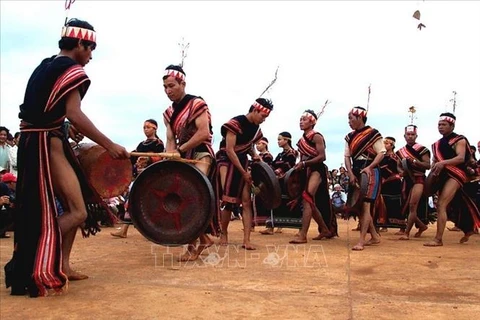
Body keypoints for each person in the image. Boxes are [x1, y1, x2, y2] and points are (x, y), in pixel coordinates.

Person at [4, 18, 129, 297]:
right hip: (46, 145)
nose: (91, 56)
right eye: (90, 49)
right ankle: (33, 261)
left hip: (37, 141)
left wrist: (65, 127)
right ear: (80, 43)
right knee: (77, 210)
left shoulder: (45, 65)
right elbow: (74, 112)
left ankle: (61, 264)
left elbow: (49, 111)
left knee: (72, 205)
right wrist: (109, 145)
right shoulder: (71, 70)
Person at [162, 65, 218, 261]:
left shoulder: (197, 104)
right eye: (165, 87)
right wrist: (168, 158)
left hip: (201, 153)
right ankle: (199, 240)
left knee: (192, 194)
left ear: (182, 84)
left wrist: (180, 149)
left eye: (171, 86)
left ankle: (196, 243)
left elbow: (204, 133)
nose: (168, 91)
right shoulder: (168, 113)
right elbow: (170, 140)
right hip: (182, 156)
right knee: (179, 197)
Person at [217, 98, 273, 250]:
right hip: (226, 161)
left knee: (246, 201)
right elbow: (229, 150)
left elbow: (248, 146)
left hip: (242, 160)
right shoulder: (235, 123)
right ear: (255, 111)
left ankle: (246, 239)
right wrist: (243, 173)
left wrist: (254, 154)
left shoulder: (256, 128)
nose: (263, 120)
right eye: (262, 116)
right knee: (228, 200)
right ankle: (223, 233)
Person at [424, 113, 480, 246]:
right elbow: (434, 161)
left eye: (444, 125)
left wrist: (443, 163)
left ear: (452, 125)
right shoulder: (436, 144)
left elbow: (460, 158)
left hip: (456, 175)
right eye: (439, 124)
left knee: (441, 204)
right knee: (457, 203)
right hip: (442, 176)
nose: (440, 127)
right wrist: (433, 169)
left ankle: (438, 239)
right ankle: (468, 229)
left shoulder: (459, 140)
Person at [289, 110, 337, 243]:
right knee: (311, 203)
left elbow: (322, 157)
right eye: (300, 119)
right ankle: (325, 229)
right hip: (306, 170)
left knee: (307, 198)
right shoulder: (301, 140)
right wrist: (299, 166)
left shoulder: (317, 136)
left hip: (316, 170)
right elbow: (302, 157)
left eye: (304, 119)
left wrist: (304, 163)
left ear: (312, 122)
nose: (301, 122)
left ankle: (303, 235)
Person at [111, 119, 164, 239]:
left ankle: (158, 230)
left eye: (148, 127)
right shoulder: (141, 145)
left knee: (153, 203)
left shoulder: (158, 144)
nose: (146, 129)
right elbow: (133, 158)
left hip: (152, 177)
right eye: (144, 127)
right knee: (132, 200)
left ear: (155, 128)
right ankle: (124, 230)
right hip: (141, 176)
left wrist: (148, 158)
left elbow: (160, 158)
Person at [344, 106, 384, 251]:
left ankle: (361, 240)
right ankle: (374, 236)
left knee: (366, 205)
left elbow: (381, 153)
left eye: (351, 118)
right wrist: (350, 173)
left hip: (370, 171)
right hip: (355, 170)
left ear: (360, 118)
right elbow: (347, 157)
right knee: (359, 207)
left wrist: (370, 167)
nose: (349, 121)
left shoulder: (373, 134)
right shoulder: (349, 137)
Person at [396, 125, 430, 240]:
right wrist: (402, 172)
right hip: (407, 180)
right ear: (404, 136)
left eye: (412, 135)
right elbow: (399, 166)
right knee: (407, 207)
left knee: (412, 206)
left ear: (416, 136)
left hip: (418, 179)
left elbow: (427, 165)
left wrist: (415, 162)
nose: (410, 137)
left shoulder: (422, 149)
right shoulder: (400, 152)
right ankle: (422, 226)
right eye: (408, 135)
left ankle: (406, 233)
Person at [259, 131, 297, 235]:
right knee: (273, 201)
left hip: (286, 181)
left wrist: (276, 173)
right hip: (277, 181)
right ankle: (271, 227)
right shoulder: (280, 154)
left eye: (280, 139)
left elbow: (289, 166)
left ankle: (283, 226)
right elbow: (273, 164)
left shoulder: (292, 153)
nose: (278, 141)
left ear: (286, 140)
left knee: (284, 203)